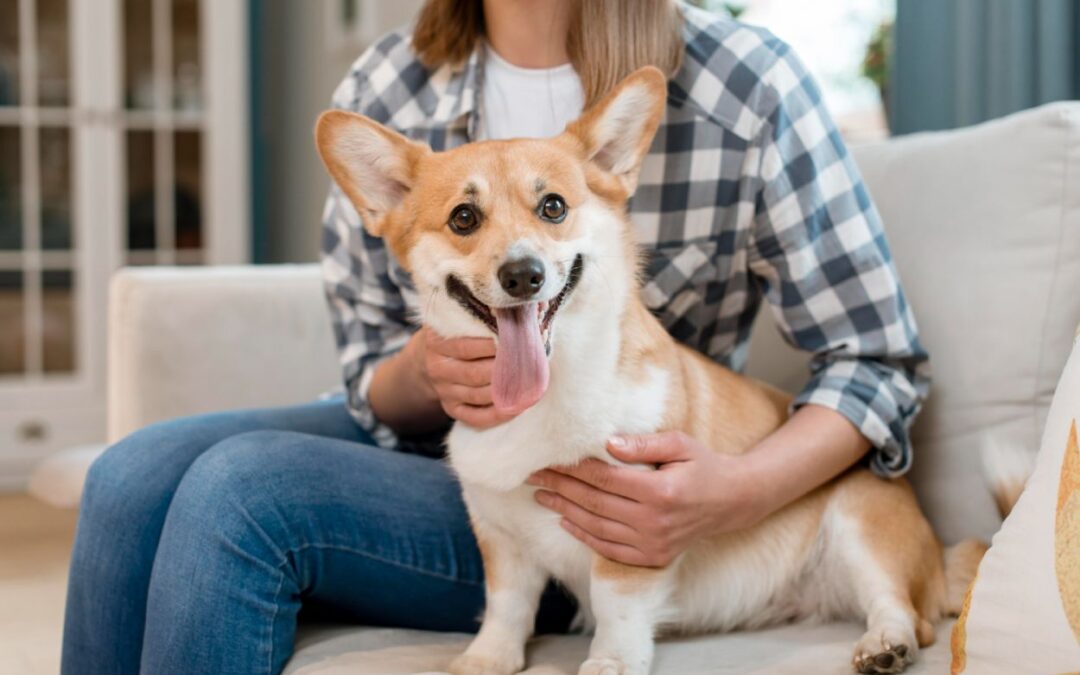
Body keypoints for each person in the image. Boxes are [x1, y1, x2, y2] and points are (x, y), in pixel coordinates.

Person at [61, 1, 929, 673]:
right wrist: (430, 369)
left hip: (605, 495)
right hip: (437, 452)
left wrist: (733, 492)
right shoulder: (389, 85)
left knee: (239, 493)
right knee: (129, 476)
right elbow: (369, 376)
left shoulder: (748, 83)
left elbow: (877, 359)